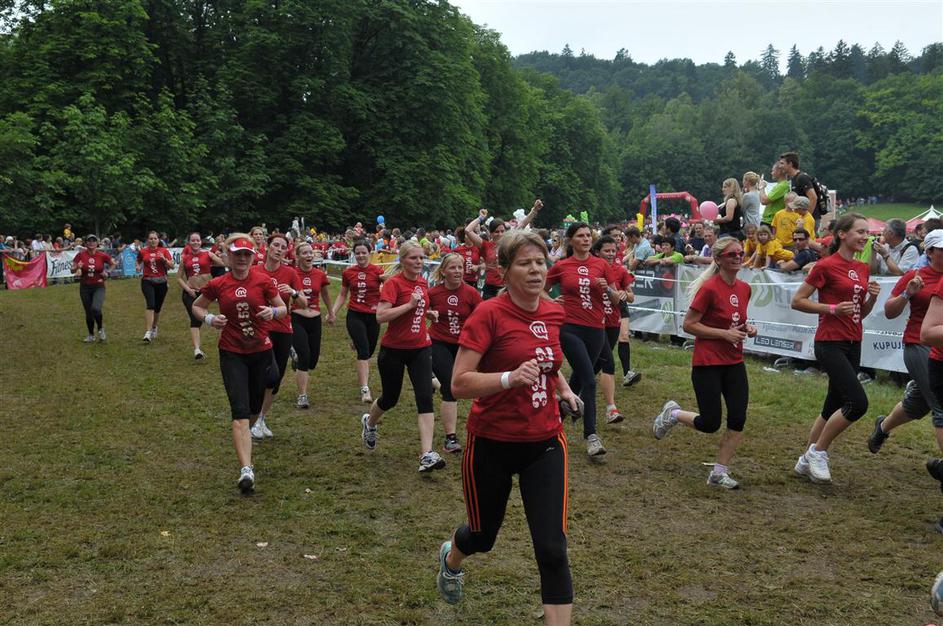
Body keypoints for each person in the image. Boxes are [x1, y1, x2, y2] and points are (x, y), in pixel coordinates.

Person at [434, 229, 579, 625]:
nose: (535, 270)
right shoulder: (488, 314)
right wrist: (508, 378)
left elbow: (547, 362)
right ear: (504, 270)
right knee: (483, 537)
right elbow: (458, 383)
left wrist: (564, 389)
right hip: (491, 443)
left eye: (540, 262)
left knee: (552, 549)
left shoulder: (553, 311)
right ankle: (451, 558)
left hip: (545, 442)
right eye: (524, 263)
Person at [652, 236, 756, 488]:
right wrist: (724, 334)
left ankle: (719, 473)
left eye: (740, 253)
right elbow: (689, 325)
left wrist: (747, 328)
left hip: (734, 361)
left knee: (738, 418)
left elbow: (734, 320)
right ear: (718, 259)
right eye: (732, 254)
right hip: (708, 363)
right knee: (710, 423)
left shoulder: (744, 288)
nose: (738, 258)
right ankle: (673, 414)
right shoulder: (709, 288)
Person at [791, 213, 881, 483]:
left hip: (854, 341)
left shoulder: (863, 267)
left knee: (833, 404)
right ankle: (818, 452)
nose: (865, 237)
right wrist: (831, 308)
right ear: (842, 234)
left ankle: (805, 460)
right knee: (858, 403)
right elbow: (798, 300)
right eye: (860, 232)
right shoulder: (825, 265)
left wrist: (871, 299)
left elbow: (859, 314)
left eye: (867, 233)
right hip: (829, 342)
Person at [192, 234, 286, 493]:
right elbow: (197, 306)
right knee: (240, 411)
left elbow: (282, 308)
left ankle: (247, 432)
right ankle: (246, 469)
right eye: (237, 254)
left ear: (253, 256)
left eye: (246, 254)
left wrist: (272, 312)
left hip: (261, 352)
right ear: (228, 256)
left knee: (254, 408)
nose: (242, 259)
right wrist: (210, 319)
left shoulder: (263, 280)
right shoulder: (218, 283)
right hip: (232, 352)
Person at [360, 241, 444, 472]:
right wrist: (409, 305)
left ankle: (426, 454)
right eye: (413, 258)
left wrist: (428, 313)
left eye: (421, 258)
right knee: (390, 398)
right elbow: (381, 316)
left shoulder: (423, 282)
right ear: (403, 260)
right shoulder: (393, 284)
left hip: (421, 348)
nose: (418, 262)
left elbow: (417, 309)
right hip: (394, 350)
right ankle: (370, 422)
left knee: (425, 398)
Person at [869, 231, 943, 486]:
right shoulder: (915, 276)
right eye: (942, 249)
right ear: (930, 252)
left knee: (919, 404)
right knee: (940, 405)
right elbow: (889, 311)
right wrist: (907, 294)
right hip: (919, 344)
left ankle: (882, 427)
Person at [546, 222, 614, 457]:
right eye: (581, 236)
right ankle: (591, 436)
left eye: (588, 236)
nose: (586, 239)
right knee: (589, 380)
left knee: (576, 380)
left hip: (596, 329)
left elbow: (616, 299)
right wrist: (551, 302)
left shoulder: (602, 265)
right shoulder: (562, 266)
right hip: (569, 328)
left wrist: (608, 290)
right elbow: (542, 289)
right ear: (571, 240)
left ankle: (554, 420)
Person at [250, 233, 305, 440]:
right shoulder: (254, 271)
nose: (279, 249)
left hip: (283, 330)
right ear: (267, 247)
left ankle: (261, 419)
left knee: (276, 380)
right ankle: (252, 418)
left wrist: (293, 292)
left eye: (283, 247)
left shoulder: (290, 273)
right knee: (266, 374)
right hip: (259, 329)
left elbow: (304, 303)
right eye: (276, 245)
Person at [428, 253, 483, 454]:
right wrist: (428, 313)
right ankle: (450, 438)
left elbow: (483, 317)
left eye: (460, 267)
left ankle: (433, 381)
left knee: (457, 385)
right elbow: (419, 311)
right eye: (453, 267)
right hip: (438, 343)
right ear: (443, 271)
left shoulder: (471, 293)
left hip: (463, 346)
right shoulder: (433, 293)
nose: (458, 271)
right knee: (450, 389)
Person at [331, 240, 384, 403]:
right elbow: (342, 294)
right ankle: (365, 389)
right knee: (364, 352)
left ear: (370, 253)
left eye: (364, 252)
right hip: (355, 315)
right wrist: (332, 312)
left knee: (370, 350)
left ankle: (357, 342)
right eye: (358, 253)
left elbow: (389, 290)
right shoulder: (348, 272)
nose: (361, 256)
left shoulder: (378, 271)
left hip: (373, 316)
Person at [591, 236, 633, 423]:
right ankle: (611, 409)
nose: (610, 254)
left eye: (613, 251)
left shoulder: (620, 270)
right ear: (597, 252)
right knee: (607, 361)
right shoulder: (590, 269)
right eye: (606, 251)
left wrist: (624, 293)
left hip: (613, 321)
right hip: (595, 322)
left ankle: (574, 392)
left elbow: (631, 296)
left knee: (597, 363)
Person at [464, 200, 542, 299]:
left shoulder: (509, 243)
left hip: (507, 287)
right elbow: (468, 230)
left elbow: (522, 224)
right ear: (491, 233)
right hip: (490, 288)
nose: (500, 234)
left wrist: (534, 210)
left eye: (502, 231)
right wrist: (481, 217)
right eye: (496, 232)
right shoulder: (485, 245)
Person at [292, 241, 334, 409]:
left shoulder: (319, 274)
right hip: (297, 318)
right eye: (305, 253)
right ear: (298, 256)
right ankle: (302, 396)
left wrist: (331, 312)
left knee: (312, 361)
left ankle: (296, 358)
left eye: (311, 252)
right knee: (304, 355)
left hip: (315, 320)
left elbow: (325, 294)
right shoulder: (292, 274)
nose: (309, 255)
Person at [178, 232, 225, 359]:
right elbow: (179, 278)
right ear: (189, 242)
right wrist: (188, 289)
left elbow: (223, 263)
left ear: (201, 242)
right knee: (195, 319)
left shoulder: (208, 254)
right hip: (190, 292)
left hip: (205, 293)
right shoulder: (185, 258)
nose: (195, 242)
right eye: (193, 240)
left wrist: (223, 252)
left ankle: (211, 321)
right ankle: (197, 350)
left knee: (199, 317)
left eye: (198, 240)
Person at [71, 234, 115, 343]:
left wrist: (108, 272)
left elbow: (113, 264)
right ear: (86, 243)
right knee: (88, 312)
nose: (91, 243)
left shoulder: (102, 255)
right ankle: (91, 335)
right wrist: (77, 267)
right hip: (85, 287)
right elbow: (72, 269)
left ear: (97, 243)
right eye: (89, 241)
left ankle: (100, 329)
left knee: (96, 308)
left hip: (98, 286)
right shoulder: (80, 255)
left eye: (93, 241)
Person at [137, 230, 176, 342]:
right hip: (147, 281)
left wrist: (164, 259)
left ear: (158, 240)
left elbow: (172, 266)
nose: (153, 240)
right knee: (150, 305)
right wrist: (138, 266)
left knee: (157, 308)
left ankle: (154, 326)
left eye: (155, 238)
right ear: (147, 240)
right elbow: (138, 260)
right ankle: (148, 332)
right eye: (151, 238)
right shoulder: (143, 251)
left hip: (161, 282)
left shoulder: (163, 251)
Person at [778, 151, 819, 224]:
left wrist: (806, 218)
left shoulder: (802, 178)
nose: (779, 166)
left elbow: (813, 197)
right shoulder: (793, 179)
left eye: (782, 163)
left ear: (790, 164)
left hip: (809, 220)